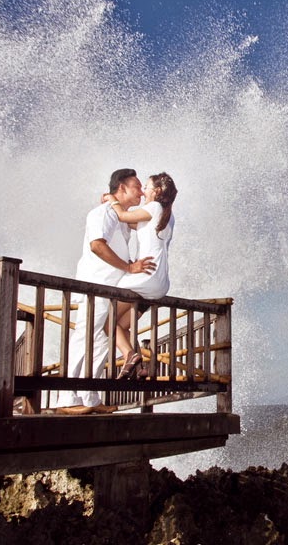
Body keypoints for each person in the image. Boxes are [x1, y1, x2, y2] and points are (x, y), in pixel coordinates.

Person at [56, 168, 156, 414]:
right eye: (137, 186)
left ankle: (90, 398)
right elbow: (97, 246)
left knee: (100, 342)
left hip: (112, 289)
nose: (141, 192)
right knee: (84, 338)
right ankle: (66, 400)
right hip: (95, 286)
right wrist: (128, 267)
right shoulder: (101, 214)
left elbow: (148, 221)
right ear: (121, 187)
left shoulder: (118, 215)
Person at [105, 172, 177, 379]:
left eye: (146, 186)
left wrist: (113, 201)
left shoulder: (153, 207)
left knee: (106, 321)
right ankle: (137, 365)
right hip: (159, 283)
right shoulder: (167, 214)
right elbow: (132, 224)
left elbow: (124, 217)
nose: (143, 190)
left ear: (156, 191)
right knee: (122, 327)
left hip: (144, 277)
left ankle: (129, 355)